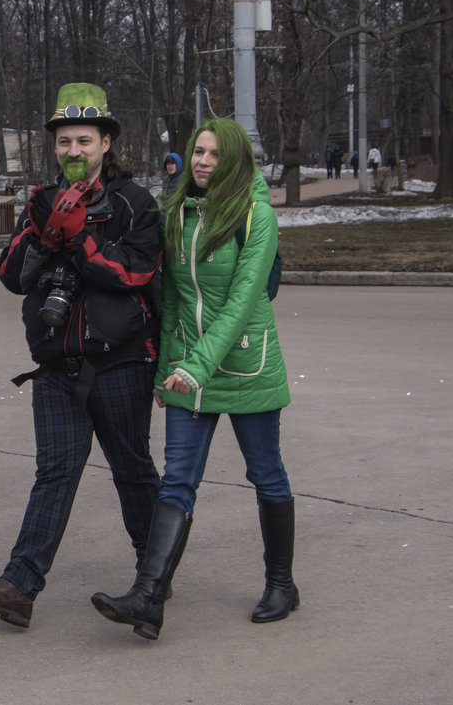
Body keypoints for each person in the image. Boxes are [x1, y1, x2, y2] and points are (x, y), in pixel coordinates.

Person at [0, 83, 163, 629]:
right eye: (65, 141)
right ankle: (18, 588)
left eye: (84, 140)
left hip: (121, 362)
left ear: (106, 142)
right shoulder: (41, 200)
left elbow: (135, 273)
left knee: (133, 472)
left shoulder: (135, 204)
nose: (73, 151)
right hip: (56, 365)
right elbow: (11, 276)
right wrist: (47, 235)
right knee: (55, 473)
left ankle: (153, 579)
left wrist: (83, 241)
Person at [90, 118, 297, 641]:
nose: (202, 162)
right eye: (197, 152)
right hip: (188, 371)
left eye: (213, 155)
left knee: (266, 474)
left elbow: (242, 303)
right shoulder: (179, 213)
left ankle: (281, 584)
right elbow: (177, 301)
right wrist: (168, 373)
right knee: (178, 479)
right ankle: (149, 597)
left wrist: (194, 366)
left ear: (234, 162)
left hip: (246, 365)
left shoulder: (258, 216)